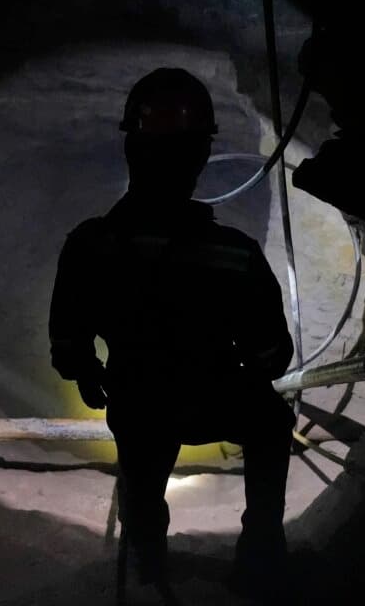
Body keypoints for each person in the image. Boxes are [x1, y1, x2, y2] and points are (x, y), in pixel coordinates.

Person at [48, 68, 296, 601]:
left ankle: (147, 552)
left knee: (141, 477)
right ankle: (261, 552)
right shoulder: (234, 255)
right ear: (201, 159)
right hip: (214, 399)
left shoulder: (90, 246)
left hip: (139, 405)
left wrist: (93, 377)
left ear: (131, 150)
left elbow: (68, 345)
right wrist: (244, 368)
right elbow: (273, 355)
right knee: (272, 419)